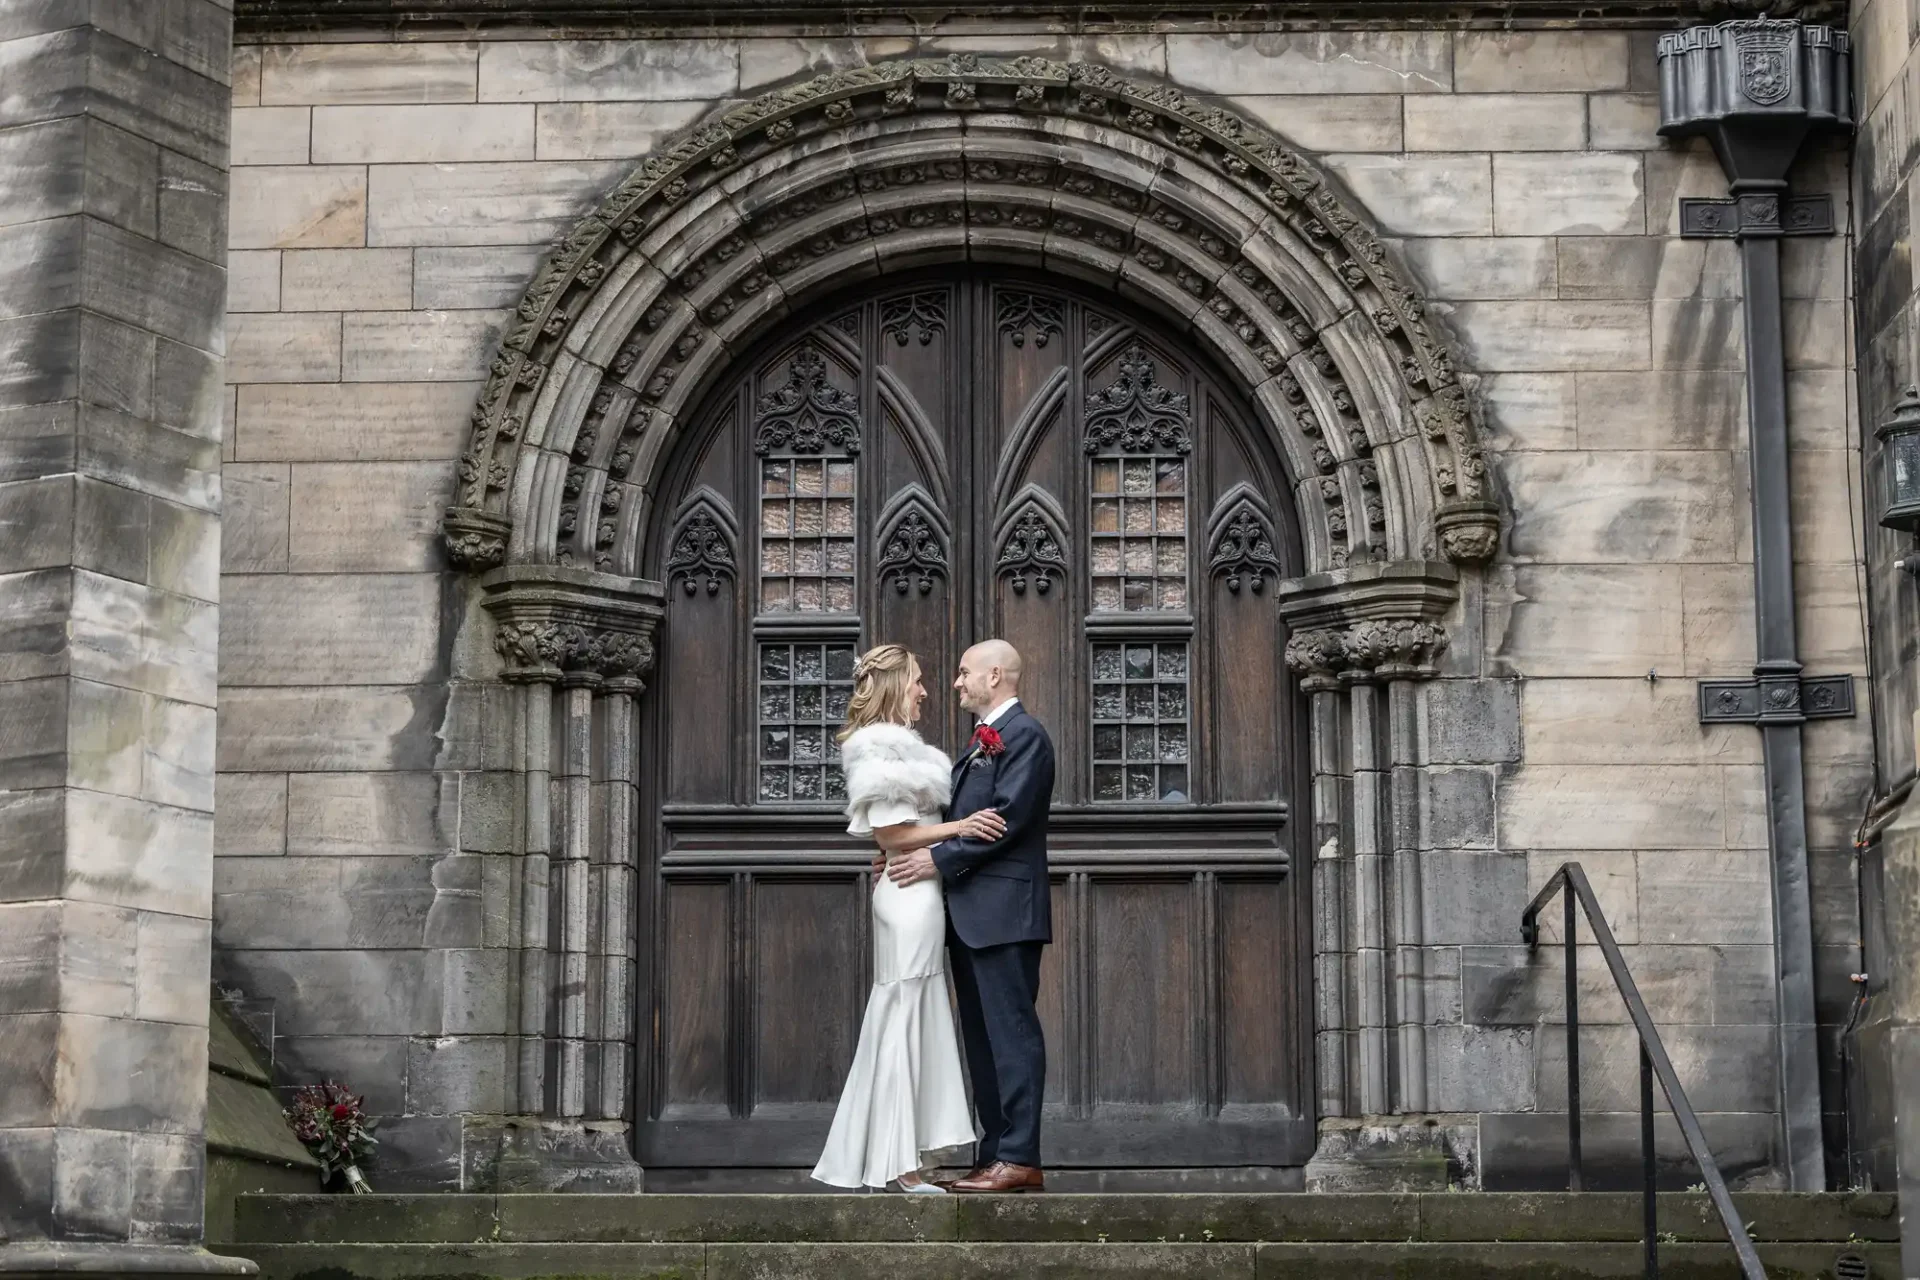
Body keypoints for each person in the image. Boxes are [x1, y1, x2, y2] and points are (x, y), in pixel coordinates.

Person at [810, 644, 1007, 1192]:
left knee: (908, 1011)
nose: (925, 690)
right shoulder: (876, 747)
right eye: (918, 681)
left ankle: (899, 1160)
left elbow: (895, 836)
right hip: (908, 898)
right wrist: (959, 828)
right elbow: (893, 834)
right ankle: (899, 1167)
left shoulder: (903, 748)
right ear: (896, 685)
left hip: (917, 890)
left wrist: (917, 845)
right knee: (902, 1013)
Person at [885, 639, 1055, 1193]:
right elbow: (962, 818)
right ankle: (993, 1155)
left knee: (1012, 1034)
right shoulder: (981, 742)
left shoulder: (1026, 736)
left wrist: (932, 860)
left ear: (996, 675)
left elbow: (1004, 821)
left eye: (963, 673)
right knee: (981, 1040)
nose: (956, 683)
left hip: (1005, 912)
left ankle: (1020, 1157)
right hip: (972, 917)